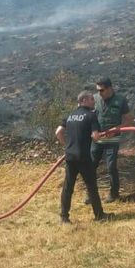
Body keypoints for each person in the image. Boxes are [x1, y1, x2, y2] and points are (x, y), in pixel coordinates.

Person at [55, 90, 111, 225]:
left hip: (70, 156)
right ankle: (99, 215)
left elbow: (58, 132)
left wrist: (66, 145)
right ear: (84, 100)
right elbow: (95, 136)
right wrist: (103, 136)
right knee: (91, 186)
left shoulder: (70, 116)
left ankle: (64, 217)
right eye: (91, 99)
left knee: (68, 187)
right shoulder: (91, 116)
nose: (94, 102)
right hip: (83, 157)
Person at [90, 77, 134, 202]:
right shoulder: (94, 99)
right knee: (91, 165)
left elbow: (128, 120)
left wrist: (116, 129)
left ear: (110, 88)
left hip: (112, 139)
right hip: (97, 138)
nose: (99, 93)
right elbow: (89, 117)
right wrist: (93, 131)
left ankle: (114, 194)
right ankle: (91, 194)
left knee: (111, 166)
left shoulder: (120, 100)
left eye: (102, 90)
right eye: (97, 90)